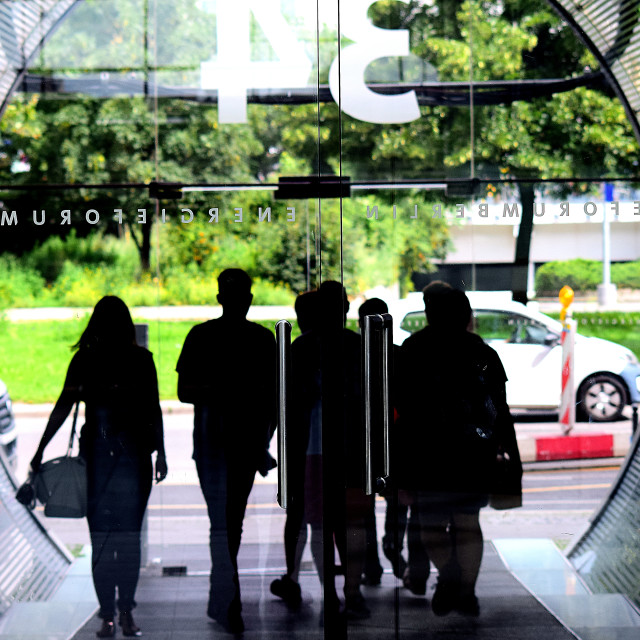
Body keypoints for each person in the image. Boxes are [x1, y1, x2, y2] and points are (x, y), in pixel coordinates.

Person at [30, 296, 167, 638]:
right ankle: (126, 613)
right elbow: (153, 408)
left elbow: (63, 407)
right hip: (134, 458)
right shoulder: (141, 360)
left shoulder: (85, 360)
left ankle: (106, 614)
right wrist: (161, 453)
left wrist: (40, 450)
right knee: (129, 540)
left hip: (96, 460)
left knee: (102, 540)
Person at [395, 286, 521, 617]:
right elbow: (499, 409)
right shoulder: (481, 351)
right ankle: (467, 593)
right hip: (472, 453)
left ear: (429, 311)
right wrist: (510, 452)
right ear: (465, 314)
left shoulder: (413, 349)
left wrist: (399, 464)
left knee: (431, 523)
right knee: (468, 523)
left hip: (428, 453)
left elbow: (401, 411)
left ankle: (449, 573)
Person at [176, 268, 277, 634]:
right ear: (248, 299)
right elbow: (274, 401)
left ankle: (224, 597)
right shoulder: (263, 340)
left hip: (210, 443)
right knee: (231, 521)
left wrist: (217, 390)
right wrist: (264, 441)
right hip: (244, 445)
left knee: (221, 522)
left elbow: (185, 391)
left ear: (220, 297)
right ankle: (225, 598)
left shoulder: (201, 336)